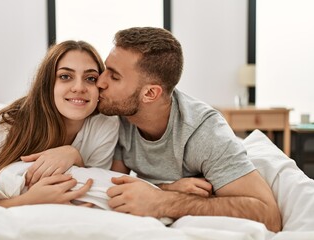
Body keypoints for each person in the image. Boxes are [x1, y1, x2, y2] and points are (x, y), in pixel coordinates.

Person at [95, 27, 282, 232]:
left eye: (114, 77)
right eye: (106, 69)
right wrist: (166, 189)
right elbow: (114, 185)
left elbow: (269, 215)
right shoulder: (117, 116)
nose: (100, 82)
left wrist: (164, 202)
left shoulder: (204, 133)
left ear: (150, 93)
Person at [0, 40, 119, 207]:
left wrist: (74, 156)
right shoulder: (8, 126)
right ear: (47, 83)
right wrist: (29, 200)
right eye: (65, 76)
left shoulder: (106, 125)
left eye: (90, 78)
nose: (79, 87)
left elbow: (94, 188)